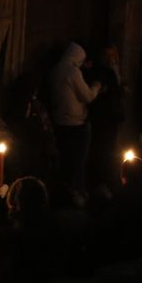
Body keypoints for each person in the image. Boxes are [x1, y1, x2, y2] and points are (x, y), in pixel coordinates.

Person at [47, 43, 103, 196]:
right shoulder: (72, 71)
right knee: (78, 163)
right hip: (76, 124)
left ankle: (62, 193)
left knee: (64, 161)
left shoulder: (54, 70)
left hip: (59, 123)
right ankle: (77, 193)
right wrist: (96, 86)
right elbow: (88, 96)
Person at [86, 44, 125, 193]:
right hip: (104, 120)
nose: (111, 59)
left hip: (111, 119)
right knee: (104, 152)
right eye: (107, 56)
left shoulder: (113, 71)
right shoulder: (102, 73)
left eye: (113, 56)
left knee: (110, 151)